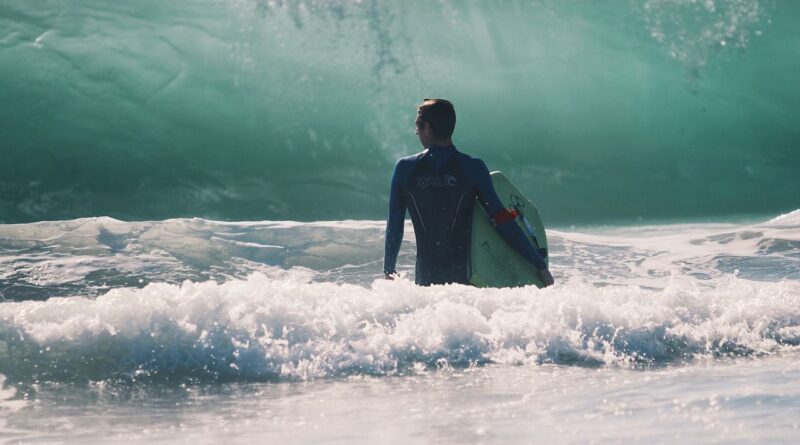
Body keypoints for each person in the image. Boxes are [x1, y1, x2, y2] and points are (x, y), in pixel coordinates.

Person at [383, 98, 554, 287]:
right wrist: (539, 265)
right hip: (467, 284)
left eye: (418, 124)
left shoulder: (405, 169)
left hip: (425, 284)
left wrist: (389, 270)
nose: (416, 131)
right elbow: (502, 219)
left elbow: (395, 225)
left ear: (427, 127)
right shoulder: (472, 168)